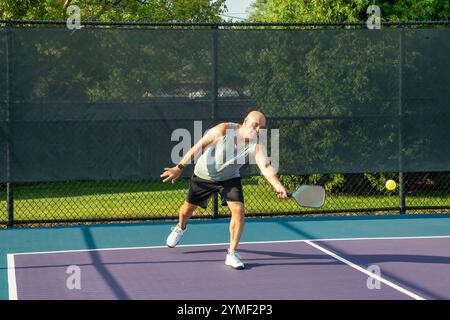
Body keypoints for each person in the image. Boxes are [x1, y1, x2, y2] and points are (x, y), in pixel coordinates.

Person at [160, 111, 288, 269]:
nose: (257, 130)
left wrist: (278, 186)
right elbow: (198, 146)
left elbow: (266, 167)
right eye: (255, 125)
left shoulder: (257, 145)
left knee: (239, 210)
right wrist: (179, 167)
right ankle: (180, 227)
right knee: (186, 211)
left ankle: (232, 253)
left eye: (261, 128)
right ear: (246, 120)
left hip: (229, 178)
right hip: (203, 175)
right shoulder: (223, 129)